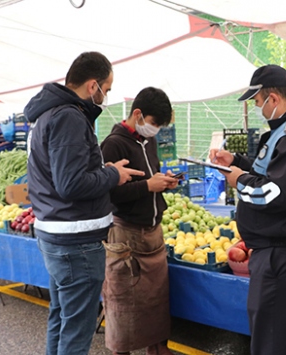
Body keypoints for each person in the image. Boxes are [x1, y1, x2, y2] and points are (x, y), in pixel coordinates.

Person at [24, 51, 145, 355]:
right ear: (94, 86)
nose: (107, 96)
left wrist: (105, 170)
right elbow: (71, 184)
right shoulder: (69, 117)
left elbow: (63, 175)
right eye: (108, 89)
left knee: (62, 318)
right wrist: (111, 175)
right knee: (77, 329)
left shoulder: (49, 114)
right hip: (75, 241)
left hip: (57, 234)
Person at [209, 65, 286, 355]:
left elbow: (275, 192)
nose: (258, 108)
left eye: (258, 102)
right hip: (280, 251)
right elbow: (272, 170)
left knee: (271, 342)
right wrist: (237, 160)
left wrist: (239, 180)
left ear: (273, 99)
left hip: (281, 255)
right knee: (277, 335)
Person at [100, 87, 178, 355]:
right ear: (138, 114)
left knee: (156, 303)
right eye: (154, 123)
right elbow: (108, 194)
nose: (155, 129)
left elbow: (150, 178)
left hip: (153, 235)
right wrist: (147, 186)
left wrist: (162, 182)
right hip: (126, 236)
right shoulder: (113, 144)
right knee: (123, 306)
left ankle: (158, 349)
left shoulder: (149, 141)